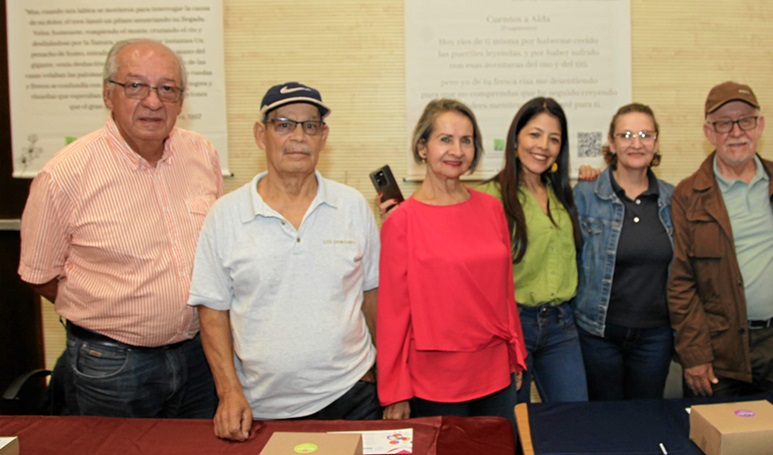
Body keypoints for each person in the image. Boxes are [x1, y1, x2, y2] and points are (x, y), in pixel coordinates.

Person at [18, 38, 223, 417]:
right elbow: (38, 274)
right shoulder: (65, 175)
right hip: (112, 364)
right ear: (108, 94)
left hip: (198, 355)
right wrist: (105, 309)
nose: (153, 101)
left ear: (181, 99)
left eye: (167, 88)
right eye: (135, 86)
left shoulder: (201, 154)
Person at [188, 82, 389, 441]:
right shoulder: (226, 215)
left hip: (352, 394)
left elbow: (372, 295)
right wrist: (228, 391)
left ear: (323, 136)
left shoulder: (352, 206)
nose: (298, 136)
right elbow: (212, 310)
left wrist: (387, 378)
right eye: (283, 124)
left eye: (309, 125)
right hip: (262, 406)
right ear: (260, 135)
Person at [377, 99, 526, 424]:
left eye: (466, 140)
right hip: (434, 381)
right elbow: (392, 314)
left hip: (495, 371)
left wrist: (516, 355)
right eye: (445, 139)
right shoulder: (402, 221)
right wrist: (395, 391)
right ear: (422, 148)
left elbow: (504, 292)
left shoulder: (491, 208)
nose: (456, 150)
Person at [668, 82, 773, 397]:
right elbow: (681, 284)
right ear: (709, 132)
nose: (736, 131)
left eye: (745, 120)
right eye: (724, 123)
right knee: (716, 440)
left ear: (760, 126)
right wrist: (695, 355)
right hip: (718, 349)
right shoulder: (688, 195)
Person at [475, 97, 588, 403]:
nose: (544, 145)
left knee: (574, 421)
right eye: (535, 134)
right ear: (515, 140)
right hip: (513, 328)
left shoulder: (563, 195)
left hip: (562, 326)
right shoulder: (488, 197)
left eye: (554, 138)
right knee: (513, 429)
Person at [574, 103, 676, 400]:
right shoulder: (585, 195)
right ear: (612, 142)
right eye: (626, 134)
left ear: (656, 143)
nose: (636, 143)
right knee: (603, 422)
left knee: (646, 418)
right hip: (598, 335)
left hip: (655, 337)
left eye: (645, 134)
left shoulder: (673, 199)